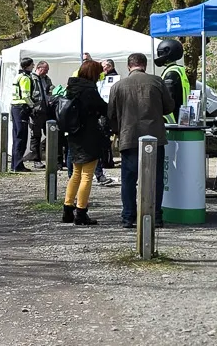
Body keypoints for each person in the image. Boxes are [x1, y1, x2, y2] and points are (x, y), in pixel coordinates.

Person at [109, 50, 169, 228]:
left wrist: (118, 129)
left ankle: (128, 216)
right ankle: (155, 216)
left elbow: (111, 114)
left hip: (129, 137)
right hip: (155, 136)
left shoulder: (118, 86)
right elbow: (169, 106)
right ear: (145, 65)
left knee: (129, 179)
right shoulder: (157, 82)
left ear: (129, 66)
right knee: (156, 178)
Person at [58, 58, 110, 225]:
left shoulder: (72, 87)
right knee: (87, 175)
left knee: (76, 174)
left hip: (74, 134)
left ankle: (67, 209)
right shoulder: (89, 90)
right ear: (93, 74)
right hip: (89, 135)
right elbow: (103, 108)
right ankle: (81, 212)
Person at [9, 57, 36, 172]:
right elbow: (25, 95)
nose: (33, 66)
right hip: (22, 108)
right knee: (22, 137)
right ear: (28, 66)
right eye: (32, 64)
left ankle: (14, 164)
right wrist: (32, 106)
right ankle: (18, 165)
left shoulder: (18, 76)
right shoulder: (26, 78)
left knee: (16, 136)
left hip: (15, 107)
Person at [154, 38, 190, 116]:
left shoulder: (170, 73)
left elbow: (168, 97)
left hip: (171, 117)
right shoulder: (180, 70)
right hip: (182, 113)